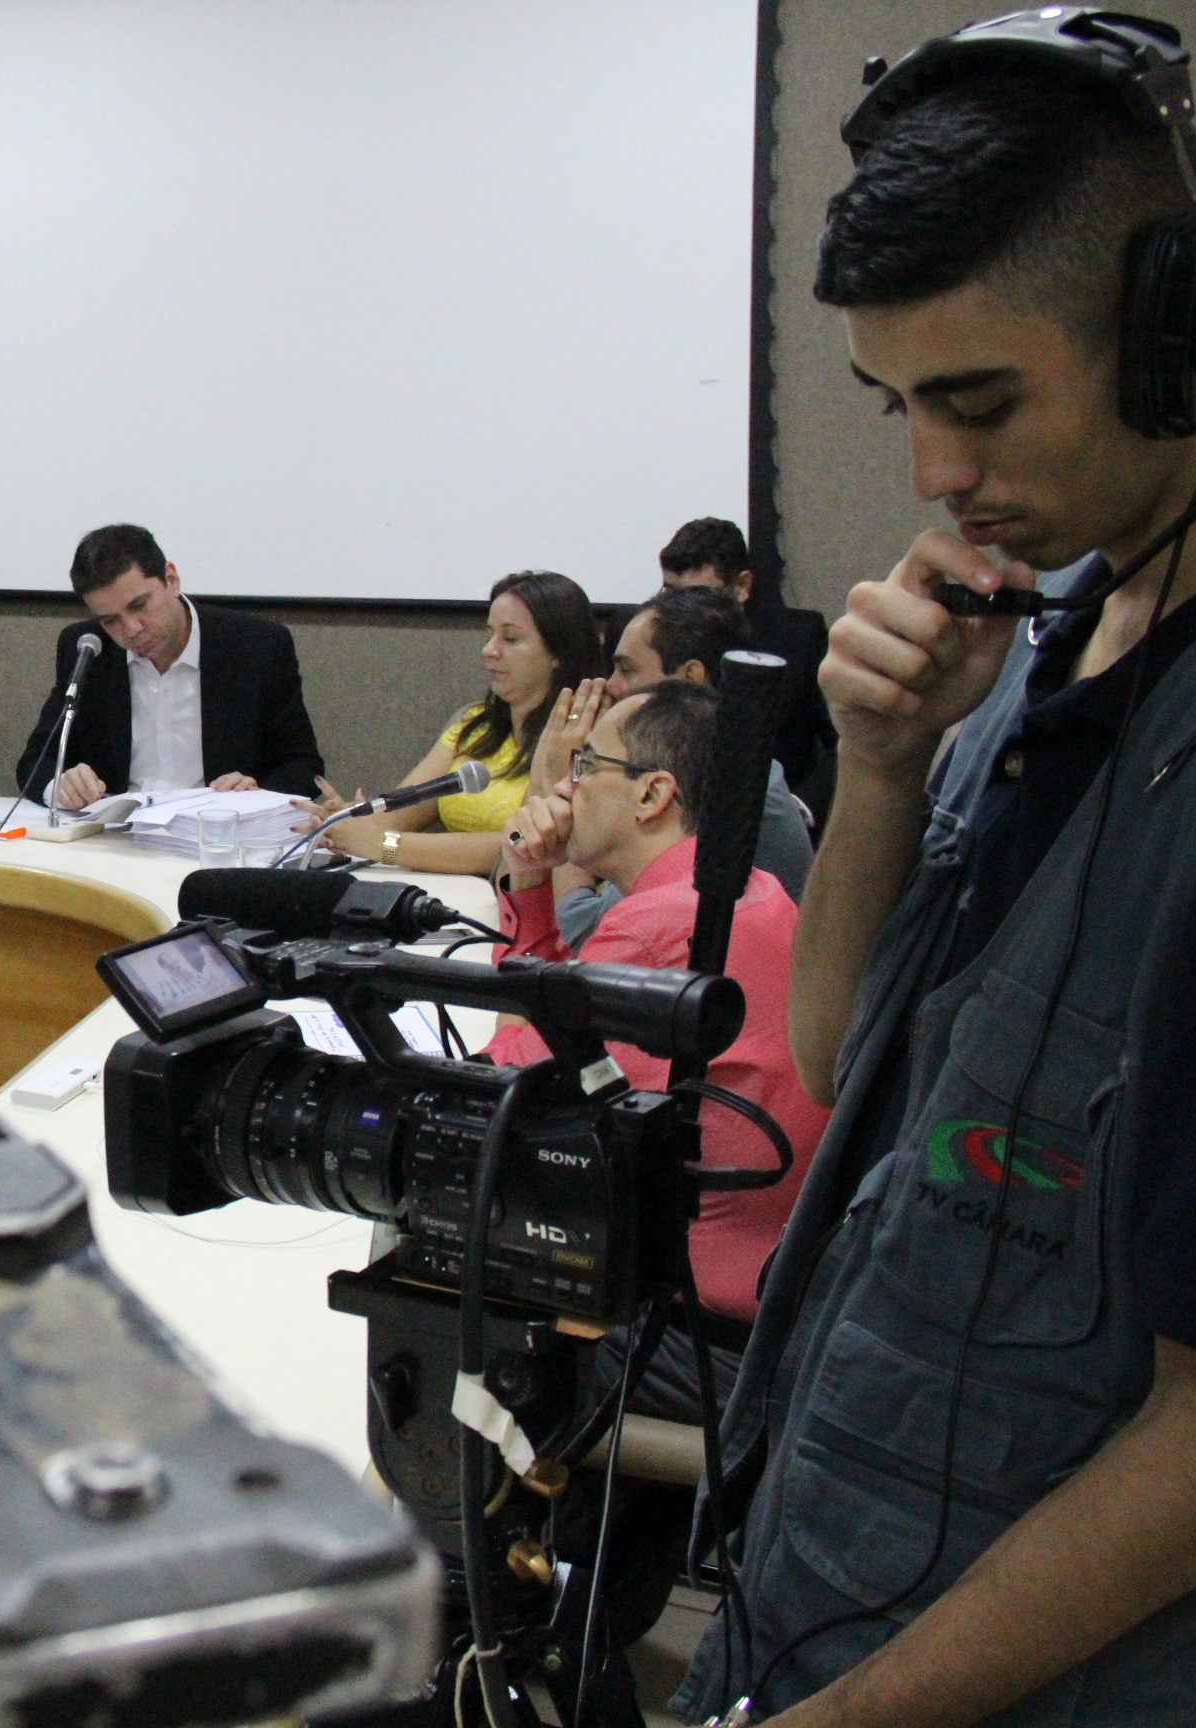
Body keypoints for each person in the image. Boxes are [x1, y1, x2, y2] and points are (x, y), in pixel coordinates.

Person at [676, 23, 1196, 1724]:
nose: (932, 478)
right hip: (824, 1574)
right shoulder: (1027, 646)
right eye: (900, 408)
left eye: (979, 404)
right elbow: (842, 1056)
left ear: (1174, 337)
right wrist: (886, 766)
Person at [494, 682, 826, 1330]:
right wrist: (531, 879)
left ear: (652, 794)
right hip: (773, 1283)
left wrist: (520, 872)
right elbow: (557, 1012)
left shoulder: (655, 928)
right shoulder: (753, 891)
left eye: (585, 765)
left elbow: (507, 1089)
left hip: (680, 1321)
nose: (564, 786)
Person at [554, 584, 816, 946]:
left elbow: (591, 932)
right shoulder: (721, 764)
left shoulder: (723, 785)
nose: (610, 686)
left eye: (627, 670)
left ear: (689, 677)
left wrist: (564, 779)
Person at [305, 569, 604, 875]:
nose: (489, 650)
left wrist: (385, 845)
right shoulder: (473, 724)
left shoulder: (587, 738)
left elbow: (520, 845)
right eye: (490, 634)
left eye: (510, 638)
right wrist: (344, 823)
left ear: (558, 652)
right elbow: (397, 815)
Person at [13, 524, 321, 810]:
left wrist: (256, 795)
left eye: (139, 605)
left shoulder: (256, 646)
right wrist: (61, 786)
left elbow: (303, 766)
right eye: (110, 620)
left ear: (171, 580)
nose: (131, 630)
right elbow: (36, 761)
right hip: (116, 836)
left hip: (214, 833)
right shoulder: (87, 648)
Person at [659, 516, 838, 819]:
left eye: (699, 596)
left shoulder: (798, 640)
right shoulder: (645, 637)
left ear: (741, 586)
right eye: (671, 593)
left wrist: (798, 808)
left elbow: (849, 743)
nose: (680, 610)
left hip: (768, 815)